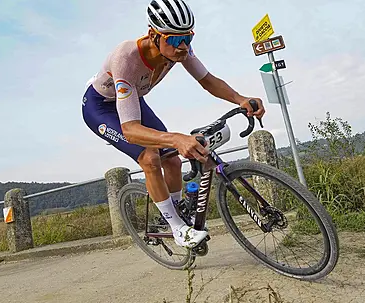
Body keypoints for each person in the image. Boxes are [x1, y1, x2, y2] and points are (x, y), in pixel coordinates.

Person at [81, 0, 265, 248]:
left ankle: (175, 211)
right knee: (150, 158)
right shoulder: (126, 58)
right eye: (176, 40)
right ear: (153, 35)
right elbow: (130, 129)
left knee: (173, 160)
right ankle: (178, 229)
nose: (183, 47)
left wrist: (241, 98)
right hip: (101, 107)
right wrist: (177, 138)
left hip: (133, 100)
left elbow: (208, 80)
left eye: (188, 38)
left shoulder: (181, 51)